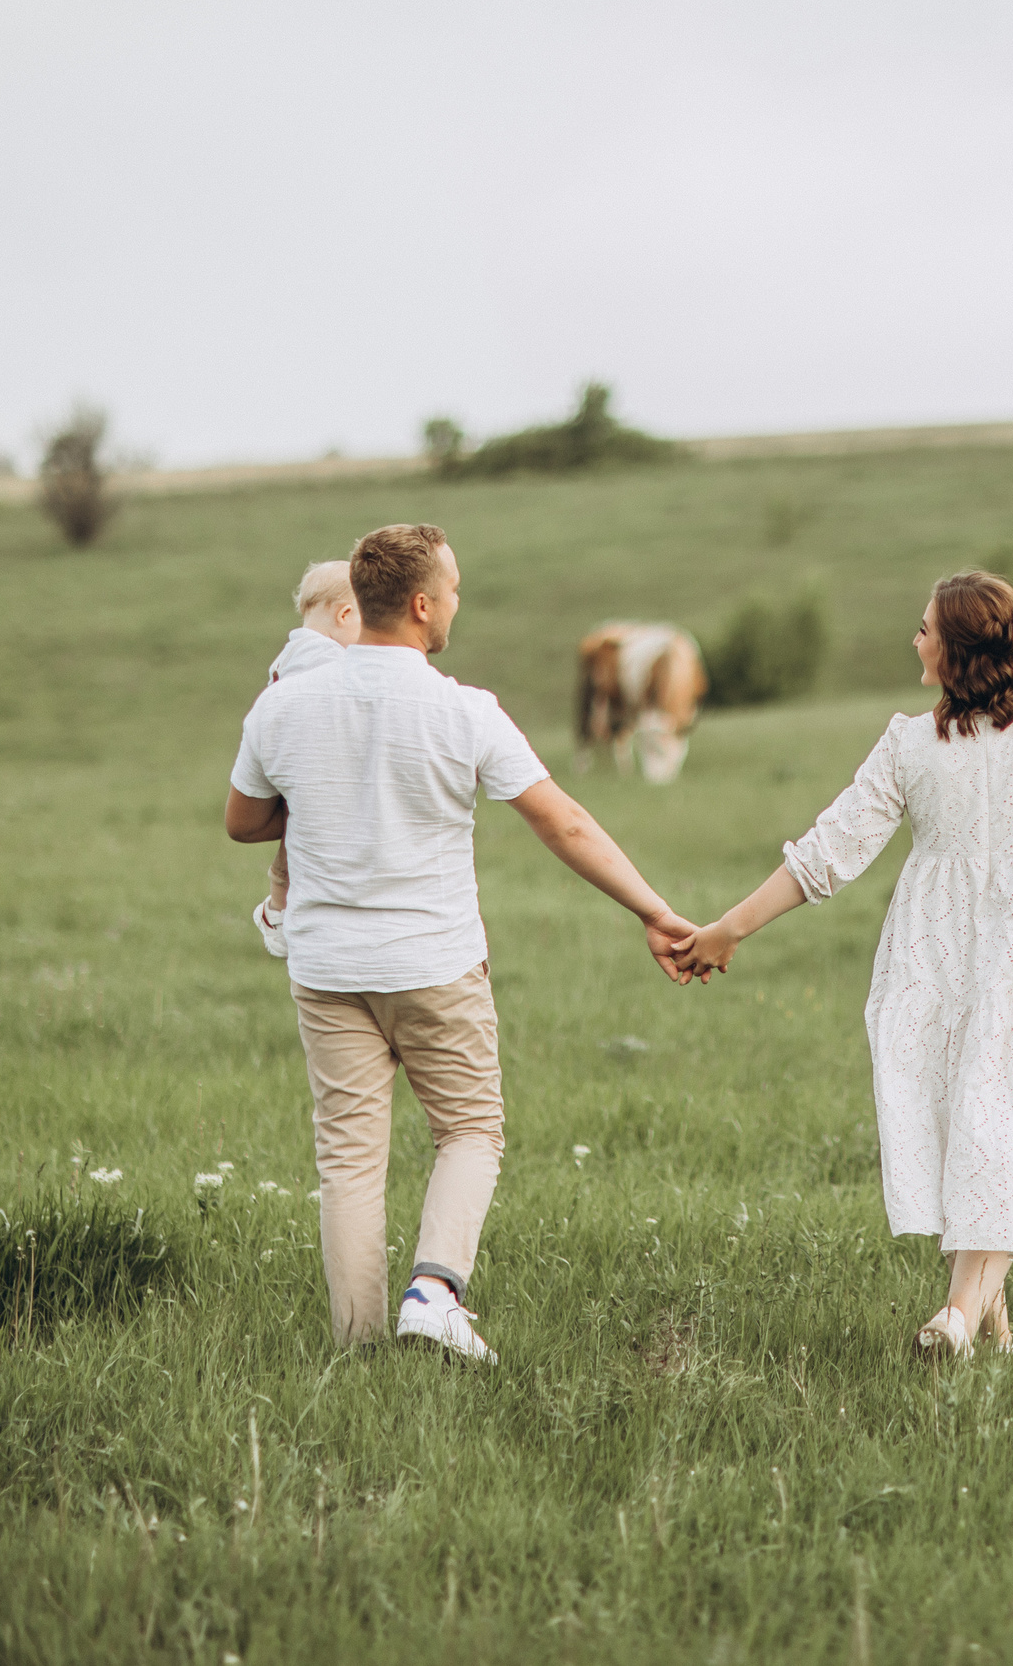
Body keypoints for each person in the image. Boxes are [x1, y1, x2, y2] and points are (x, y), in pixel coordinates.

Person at [224, 522, 699, 1362]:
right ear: (419, 605)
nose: (456, 603)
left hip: (328, 968)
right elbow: (564, 820)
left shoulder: (283, 705)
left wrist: (326, 801)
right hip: (436, 963)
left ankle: (357, 1345)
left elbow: (245, 821)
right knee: (471, 1129)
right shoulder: (462, 709)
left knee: (347, 1157)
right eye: (451, 590)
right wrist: (654, 910)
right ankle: (435, 1289)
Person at [672, 572, 1013, 1359]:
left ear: (956, 651)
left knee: (986, 1129)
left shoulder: (913, 741)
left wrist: (729, 928)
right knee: (1003, 1130)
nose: (914, 640)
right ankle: (963, 1317)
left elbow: (824, 855)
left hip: (930, 955)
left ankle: (976, 1322)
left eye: (923, 629)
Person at [252, 560, 364, 959]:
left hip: (290, 766)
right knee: (289, 856)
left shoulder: (291, 654)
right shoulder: (326, 660)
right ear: (345, 615)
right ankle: (278, 915)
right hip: (312, 765)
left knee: (291, 848)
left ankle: (280, 909)